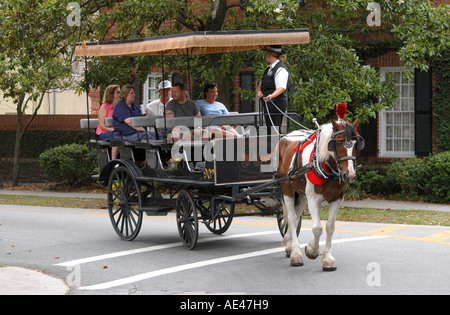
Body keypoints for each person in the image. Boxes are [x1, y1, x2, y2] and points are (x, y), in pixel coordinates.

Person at [112, 84, 156, 159]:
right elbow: (129, 122)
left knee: (160, 135)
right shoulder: (120, 106)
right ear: (125, 94)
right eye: (131, 93)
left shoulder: (134, 106)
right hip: (124, 134)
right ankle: (151, 162)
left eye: (134, 93)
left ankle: (163, 160)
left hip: (135, 133)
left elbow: (140, 120)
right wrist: (143, 130)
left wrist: (145, 116)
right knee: (148, 137)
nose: (134, 95)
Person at [257, 45, 289, 134]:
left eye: (266, 52)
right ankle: (272, 145)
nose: (265, 54)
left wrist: (272, 96)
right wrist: (259, 91)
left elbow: (281, 87)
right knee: (269, 129)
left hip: (276, 104)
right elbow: (261, 83)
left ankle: (275, 146)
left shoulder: (280, 69)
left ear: (270, 54)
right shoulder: (269, 69)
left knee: (274, 129)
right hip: (268, 104)